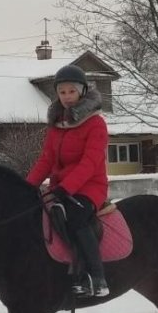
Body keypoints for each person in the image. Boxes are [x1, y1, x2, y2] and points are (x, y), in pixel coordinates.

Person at [26, 64, 110, 297]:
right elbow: (46, 160)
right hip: (62, 188)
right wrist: (27, 186)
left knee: (73, 216)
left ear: (82, 91)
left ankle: (96, 276)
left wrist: (67, 187)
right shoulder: (56, 126)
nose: (67, 97)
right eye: (62, 92)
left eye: (71, 91)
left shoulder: (96, 123)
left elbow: (91, 162)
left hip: (90, 186)